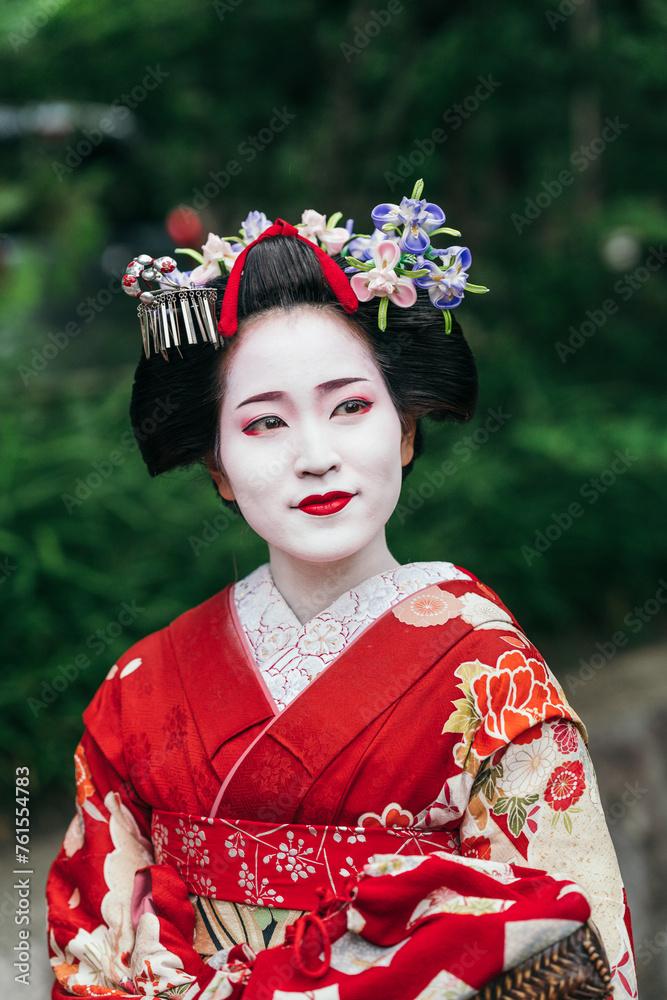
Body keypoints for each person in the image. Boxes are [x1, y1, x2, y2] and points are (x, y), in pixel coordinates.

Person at [46, 188, 637, 999]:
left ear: (403, 427)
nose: (315, 455)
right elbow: (88, 944)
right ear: (216, 464)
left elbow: (573, 948)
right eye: (264, 423)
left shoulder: (494, 683)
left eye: (350, 407)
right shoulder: (139, 692)